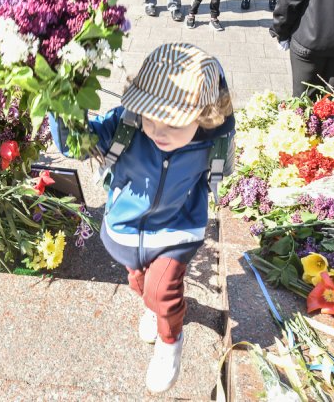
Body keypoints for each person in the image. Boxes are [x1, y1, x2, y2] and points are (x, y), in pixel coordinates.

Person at [49, 42, 235, 394]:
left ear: (205, 115)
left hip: (177, 228)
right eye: (151, 116)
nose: (159, 130)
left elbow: (221, 171)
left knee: (162, 287)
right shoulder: (126, 126)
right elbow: (75, 144)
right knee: (140, 282)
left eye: (174, 122)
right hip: (127, 229)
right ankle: (154, 308)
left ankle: (170, 341)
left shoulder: (210, 143)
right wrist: (60, 103)